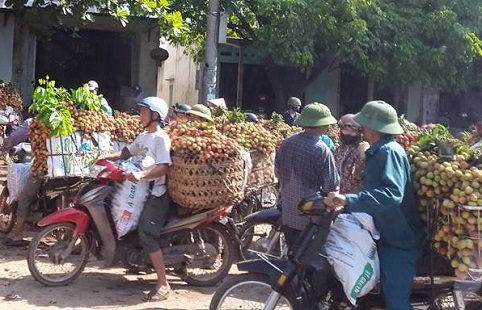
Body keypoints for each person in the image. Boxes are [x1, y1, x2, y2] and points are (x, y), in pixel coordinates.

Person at [324, 100, 424, 309]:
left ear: (372, 128)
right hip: (384, 234)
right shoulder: (378, 151)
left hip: (399, 240)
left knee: (396, 302)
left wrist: (349, 199)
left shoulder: (389, 151)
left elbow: (392, 193)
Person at [97, 96, 172, 301]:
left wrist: (141, 175)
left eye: (143, 112)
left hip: (156, 194)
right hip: (140, 192)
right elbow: (126, 152)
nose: (140, 115)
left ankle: (163, 283)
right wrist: (104, 158)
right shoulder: (143, 136)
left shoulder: (160, 138)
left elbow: (164, 166)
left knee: (147, 233)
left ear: (155, 115)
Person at [275, 102, 340, 247]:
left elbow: (277, 172)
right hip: (309, 216)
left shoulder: (287, 143)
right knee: (307, 258)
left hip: (288, 211)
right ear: (321, 126)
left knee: (292, 253)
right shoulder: (322, 150)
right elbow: (332, 187)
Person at [333, 114, 369, 193]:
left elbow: (361, 174)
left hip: (354, 197)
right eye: (345, 130)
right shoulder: (338, 151)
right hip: (337, 195)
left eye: (353, 131)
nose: (348, 134)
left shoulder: (362, 149)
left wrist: (363, 155)